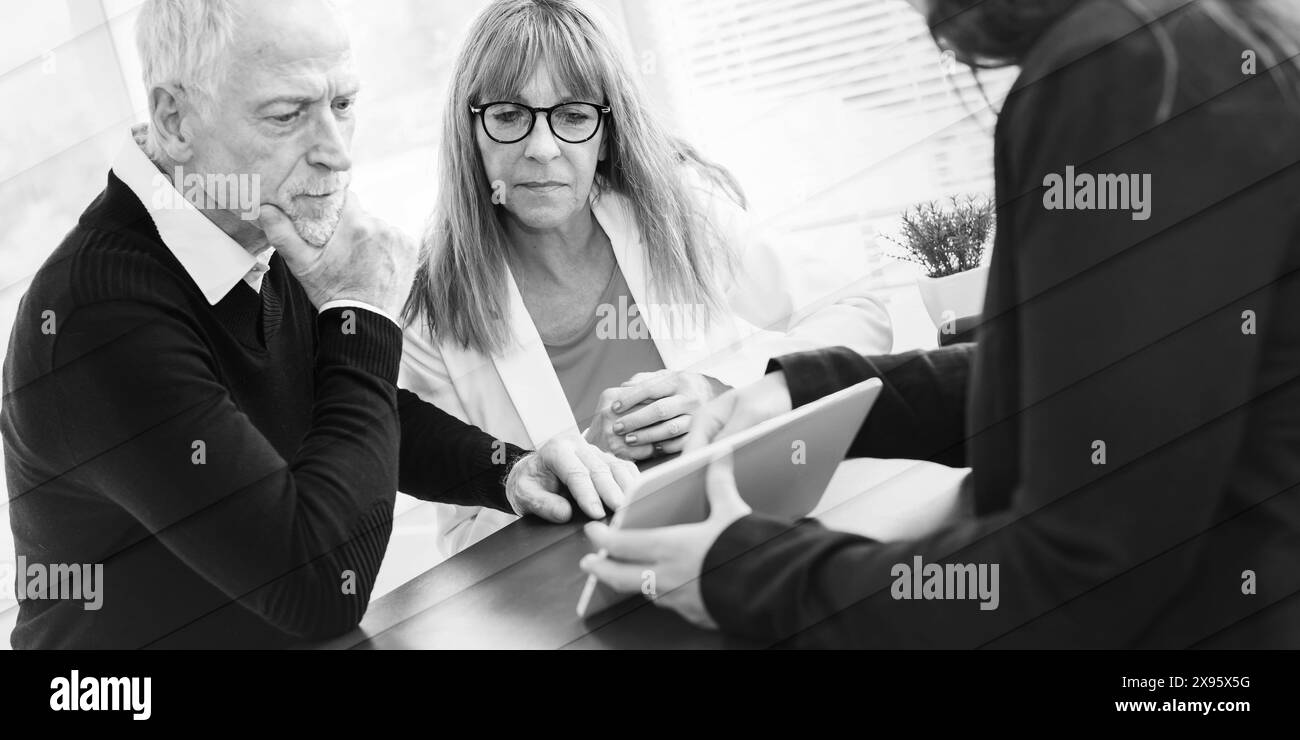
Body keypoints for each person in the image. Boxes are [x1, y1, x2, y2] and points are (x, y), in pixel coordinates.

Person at [581, 0, 1300, 648]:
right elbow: (1087, 389)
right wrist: (812, 390)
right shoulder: (1203, 40)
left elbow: (1080, 577)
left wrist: (745, 572)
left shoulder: (1129, 71)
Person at [1, 0, 631, 649]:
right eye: (288, 114)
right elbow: (322, 589)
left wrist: (506, 471)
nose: (334, 152)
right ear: (174, 118)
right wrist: (359, 309)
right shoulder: (99, 318)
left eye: (344, 104)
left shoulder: (247, 224)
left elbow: (346, 404)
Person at [400, 0, 895, 556]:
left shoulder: (678, 212)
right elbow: (466, 536)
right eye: (510, 116)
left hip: (758, 541)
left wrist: (726, 391)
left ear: (607, 133)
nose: (541, 150)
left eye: (572, 115)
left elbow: (860, 318)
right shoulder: (429, 310)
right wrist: (583, 463)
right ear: (471, 134)